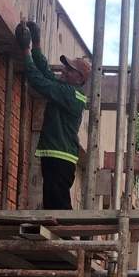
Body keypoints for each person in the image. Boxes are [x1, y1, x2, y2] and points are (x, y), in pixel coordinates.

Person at [15, 20, 90, 211]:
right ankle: (62, 228)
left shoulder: (71, 94)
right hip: (58, 155)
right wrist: (36, 45)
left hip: (60, 156)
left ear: (80, 78)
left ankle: (69, 230)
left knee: (58, 205)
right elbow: (47, 75)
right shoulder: (66, 90)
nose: (64, 70)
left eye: (69, 69)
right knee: (53, 203)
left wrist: (26, 50)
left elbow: (39, 81)